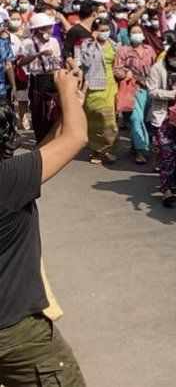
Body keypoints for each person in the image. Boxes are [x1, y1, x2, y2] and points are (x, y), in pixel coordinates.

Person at [0, 69, 88, 387]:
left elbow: (46, 154)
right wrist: (65, 88)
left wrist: (67, 109)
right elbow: (76, 139)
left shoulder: (12, 178)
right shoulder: (8, 178)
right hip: (16, 332)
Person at [148, 43, 176, 207]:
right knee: (167, 152)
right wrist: (172, 94)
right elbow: (152, 91)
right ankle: (166, 188)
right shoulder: (158, 68)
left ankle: (173, 183)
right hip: (163, 116)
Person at [74, 17, 118, 165]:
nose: (104, 33)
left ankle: (108, 149)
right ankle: (96, 150)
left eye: (107, 30)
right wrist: (92, 42)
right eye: (101, 30)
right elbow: (85, 62)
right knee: (94, 119)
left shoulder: (114, 44)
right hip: (93, 86)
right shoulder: (85, 45)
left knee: (108, 120)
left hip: (110, 85)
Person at [113, 22, 157, 165]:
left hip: (149, 89)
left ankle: (135, 143)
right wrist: (128, 73)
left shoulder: (149, 50)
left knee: (145, 120)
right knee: (135, 119)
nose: (137, 35)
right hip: (132, 89)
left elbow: (155, 68)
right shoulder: (124, 51)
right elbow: (117, 70)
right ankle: (140, 151)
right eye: (134, 32)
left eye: (139, 32)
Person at [18, 12, 61, 143]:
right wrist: (38, 54)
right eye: (47, 27)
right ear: (40, 29)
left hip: (51, 76)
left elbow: (59, 60)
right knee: (38, 112)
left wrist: (55, 60)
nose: (50, 29)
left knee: (53, 112)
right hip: (37, 78)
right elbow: (21, 62)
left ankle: (52, 139)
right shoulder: (27, 43)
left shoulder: (54, 41)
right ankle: (41, 140)